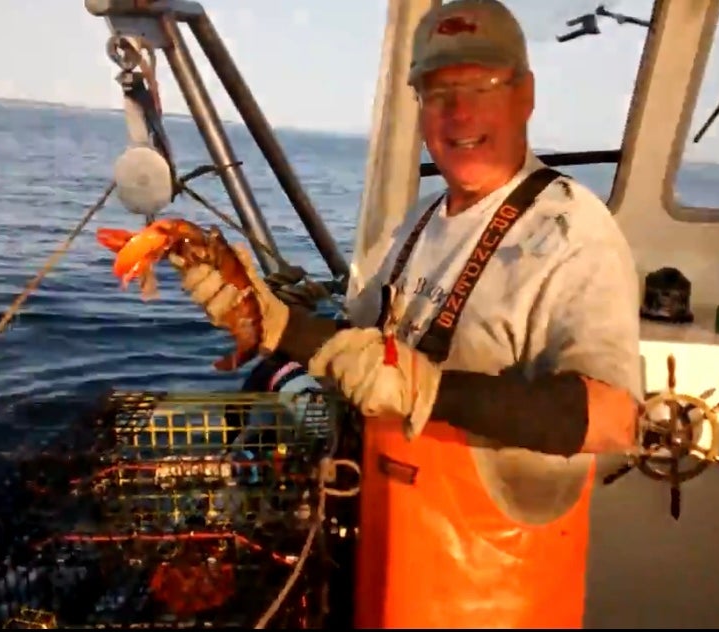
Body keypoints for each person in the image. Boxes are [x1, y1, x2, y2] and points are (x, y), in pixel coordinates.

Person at [175, 0, 642, 627]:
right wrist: (274, 324)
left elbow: (614, 420)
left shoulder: (571, 232)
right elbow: (356, 354)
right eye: (439, 91)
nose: (460, 112)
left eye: (482, 85)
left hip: (488, 597)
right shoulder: (418, 224)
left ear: (525, 95)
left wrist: (430, 387)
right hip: (386, 570)